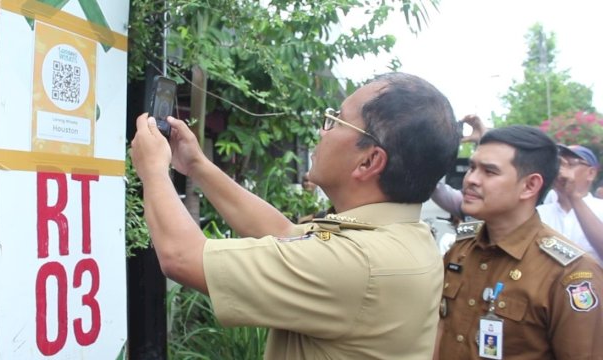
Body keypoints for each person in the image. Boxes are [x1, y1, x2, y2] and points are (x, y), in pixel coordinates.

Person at [131, 72, 460, 359]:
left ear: (368, 162)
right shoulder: (396, 234)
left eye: (335, 121)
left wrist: (153, 170)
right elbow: (285, 232)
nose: (322, 131)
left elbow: (181, 256)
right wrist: (196, 165)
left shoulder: (360, 261)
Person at [436, 126, 603, 359]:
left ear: (530, 186)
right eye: (473, 167)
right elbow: (441, 330)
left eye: (489, 172)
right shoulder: (461, 249)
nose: (471, 179)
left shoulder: (570, 273)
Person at [537, 145, 603, 265]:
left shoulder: (600, 208)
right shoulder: (538, 213)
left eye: (571, 164)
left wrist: (574, 196)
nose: (561, 171)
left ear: (591, 173)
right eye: (559, 164)